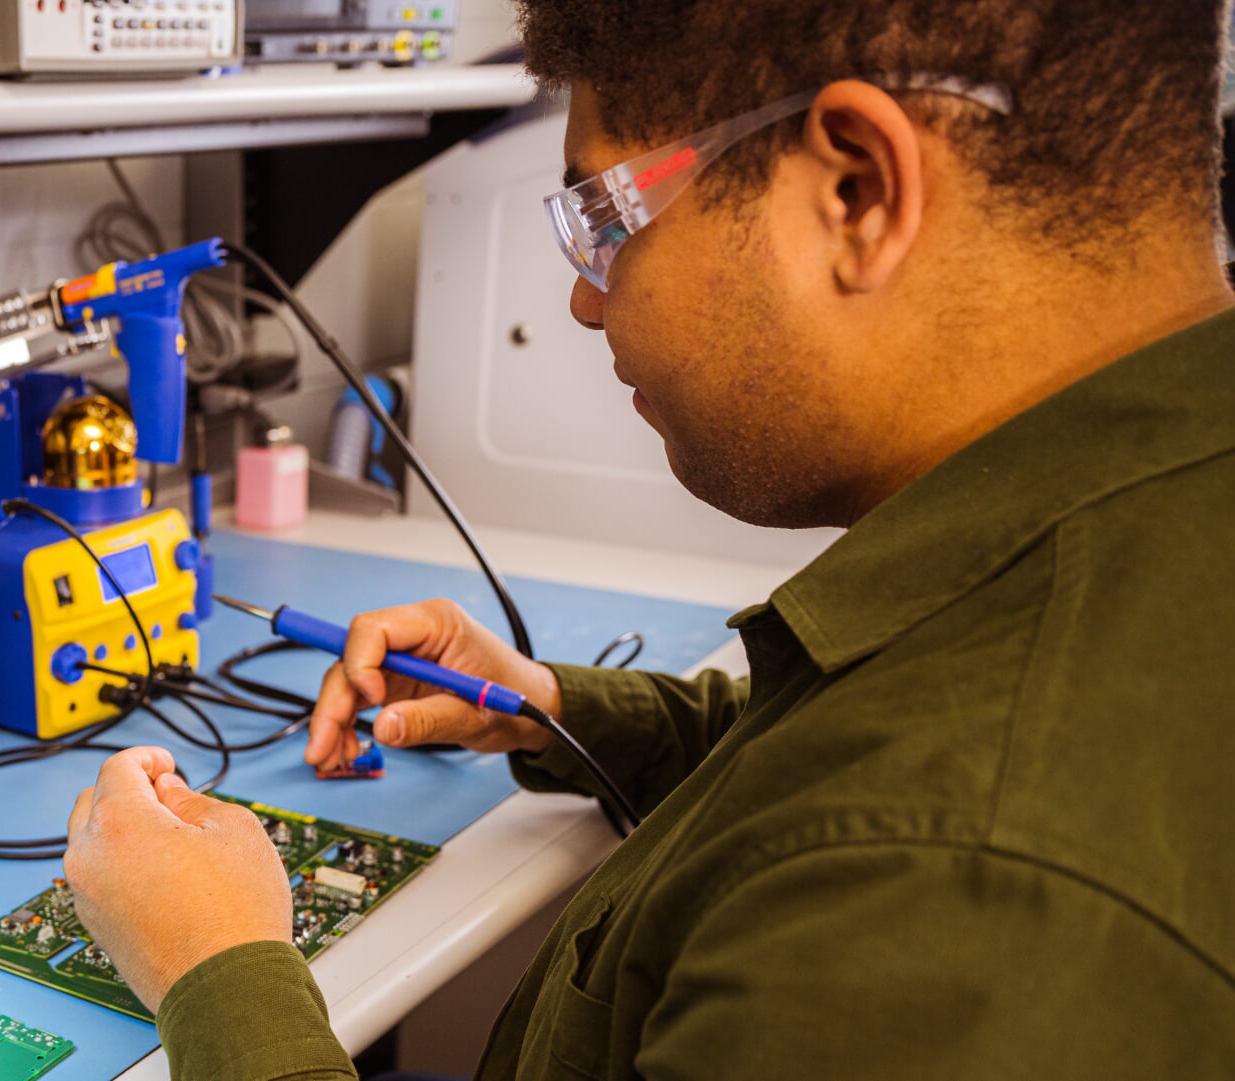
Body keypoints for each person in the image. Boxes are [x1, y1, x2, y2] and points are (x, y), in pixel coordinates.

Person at [61, 1, 1235, 1077]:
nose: (584, 298)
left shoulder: (952, 899)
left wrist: (220, 970)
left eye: (607, 214)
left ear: (859, 193)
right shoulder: (1153, 511)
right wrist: (558, 711)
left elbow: (894, 813)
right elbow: (839, 759)